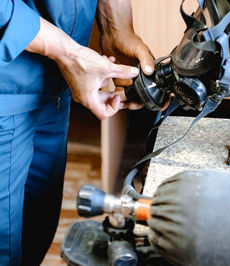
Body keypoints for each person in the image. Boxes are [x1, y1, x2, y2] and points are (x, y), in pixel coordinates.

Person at [0, 0, 154, 265]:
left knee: (36, 231)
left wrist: (116, 27)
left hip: (54, 85)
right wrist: (68, 53)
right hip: (7, 85)